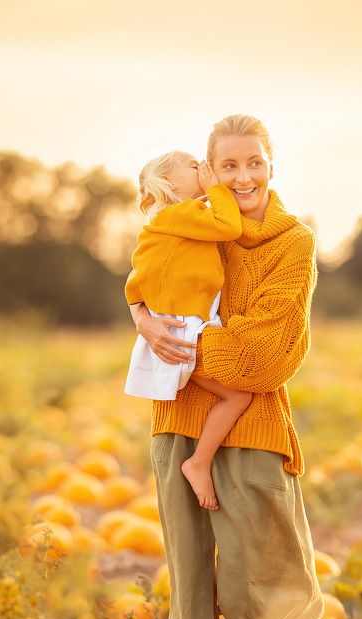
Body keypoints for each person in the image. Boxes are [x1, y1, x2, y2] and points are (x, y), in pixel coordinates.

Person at [130, 114, 324, 619]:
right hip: (176, 419)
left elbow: (265, 356)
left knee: (254, 575)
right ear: (210, 170)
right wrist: (141, 316)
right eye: (229, 165)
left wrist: (175, 342)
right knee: (193, 581)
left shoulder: (292, 243)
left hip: (253, 420)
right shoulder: (193, 222)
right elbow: (151, 275)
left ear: (271, 165)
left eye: (254, 163)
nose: (243, 177)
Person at [124, 150, 253, 511]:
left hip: (182, 326)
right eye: (194, 166)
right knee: (238, 397)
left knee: (234, 397)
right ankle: (198, 462)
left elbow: (137, 278)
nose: (204, 169)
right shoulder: (178, 214)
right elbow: (229, 227)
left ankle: (198, 461)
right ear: (169, 183)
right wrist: (216, 190)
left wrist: (140, 308)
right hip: (184, 331)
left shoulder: (171, 221)